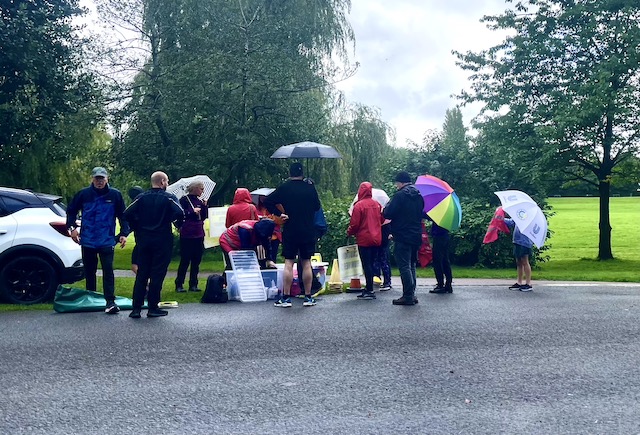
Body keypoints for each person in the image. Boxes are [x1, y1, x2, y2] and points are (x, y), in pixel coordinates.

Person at [66, 167, 130, 314]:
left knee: (108, 271)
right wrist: (72, 228)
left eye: (102, 179)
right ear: (92, 179)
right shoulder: (83, 194)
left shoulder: (115, 195)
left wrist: (123, 233)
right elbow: (71, 211)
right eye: (97, 179)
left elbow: (123, 215)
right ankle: (91, 298)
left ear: (107, 179)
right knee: (90, 271)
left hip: (107, 239)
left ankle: (110, 301)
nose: (99, 181)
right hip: (88, 239)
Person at [124, 171, 184, 318]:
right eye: (167, 181)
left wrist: (137, 225)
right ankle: (152, 307)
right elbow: (180, 212)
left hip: (144, 239)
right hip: (162, 239)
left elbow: (127, 213)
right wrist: (177, 223)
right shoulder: (169, 198)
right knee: (157, 273)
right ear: (162, 182)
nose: (167, 184)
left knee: (142, 273)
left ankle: (136, 308)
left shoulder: (141, 197)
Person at [264, 162, 321, 308]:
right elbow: (316, 207)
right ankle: (308, 296)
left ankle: (286, 298)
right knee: (306, 262)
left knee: (289, 262)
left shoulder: (284, 187)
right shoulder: (309, 187)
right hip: (308, 229)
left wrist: (280, 214)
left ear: (290, 173)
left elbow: (268, 201)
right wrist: (310, 187)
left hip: (291, 228)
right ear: (302, 174)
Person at [383, 171, 424, 306]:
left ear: (400, 182)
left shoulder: (400, 196)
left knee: (404, 265)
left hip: (402, 234)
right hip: (416, 235)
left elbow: (388, 213)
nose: (396, 186)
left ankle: (407, 296)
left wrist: (387, 206)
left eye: (396, 183)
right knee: (411, 265)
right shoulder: (419, 195)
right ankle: (412, 294)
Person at [347, 182, 384, 300]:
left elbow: (355, 224)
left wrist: (349, 232)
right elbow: (382, 219)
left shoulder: (359, 206)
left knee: (366, 264)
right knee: (372, 263)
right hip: (376, 238)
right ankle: (370, 287)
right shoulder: (377, 204)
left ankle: (369, 289)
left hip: (364, 238)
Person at [175, 181, 208, 293]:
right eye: (201, 188)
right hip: (187, 234)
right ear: (195, 189)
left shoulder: (199, 201)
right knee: (185, 260)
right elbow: (179, 214)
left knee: (196, 260)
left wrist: (204, 206)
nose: (202, 191)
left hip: (198, 233)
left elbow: (203, 217)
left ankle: (193, 284)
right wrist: (191, 212)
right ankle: (179, 284)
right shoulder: (184, 200)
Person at [504, 216, 534, 291]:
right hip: (517, 241)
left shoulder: (529, 218)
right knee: (518, 262)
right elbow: (511, 222)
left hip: (525, 242)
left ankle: (528, 283)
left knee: (525, 261)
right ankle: (519, 282)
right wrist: (501, 218)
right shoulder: (519, 216)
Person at [428, 219, 453, 294]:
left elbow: (427, 216)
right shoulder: (447, 216)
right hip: (445, 236)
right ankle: (448, 284)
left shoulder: (438, 215)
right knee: (445, 260)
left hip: (439, 237)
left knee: (437, 261)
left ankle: (440, 284)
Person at [127, 186, 145, 276]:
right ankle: (147, 281)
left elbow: (129, 227)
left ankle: (144, 281)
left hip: (139, 240)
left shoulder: (132, 209)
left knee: (135, 264)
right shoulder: (147, 208)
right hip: (148, 239)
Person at [373, 219, 393, 291]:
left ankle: (381, 280)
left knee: (380, 259)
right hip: (384, 235)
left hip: (379, 234)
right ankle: (385, 281)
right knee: (383, 259)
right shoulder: (385, 209)